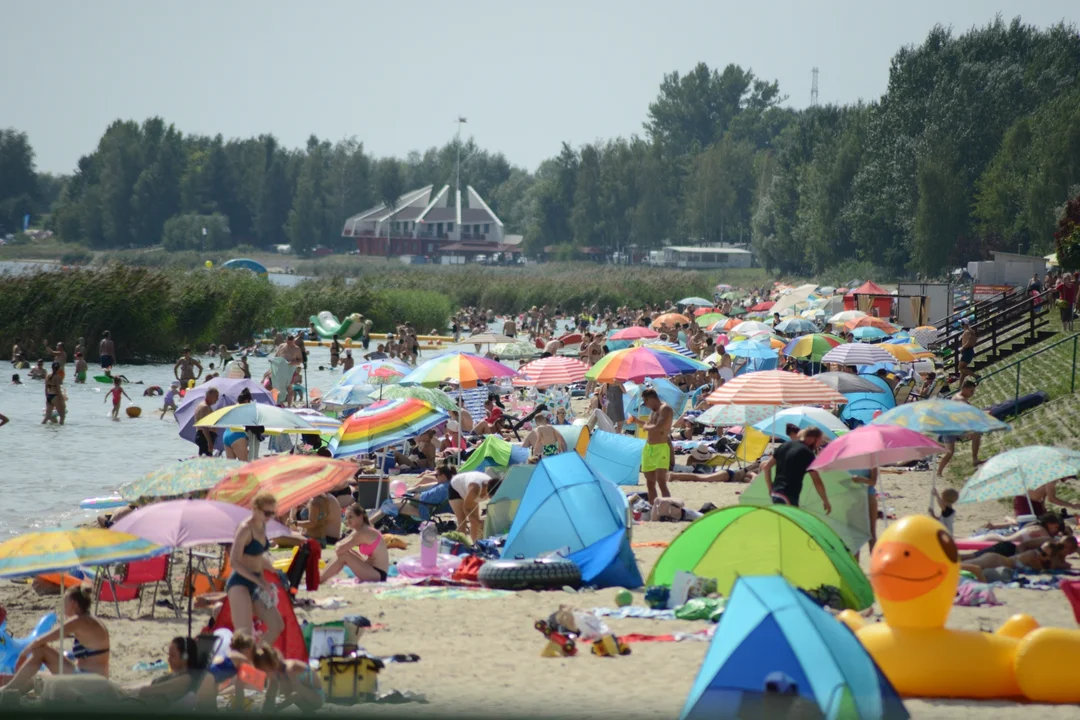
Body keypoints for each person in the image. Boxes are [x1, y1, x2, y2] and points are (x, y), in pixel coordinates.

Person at [1, 587, 110, 693]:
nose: (63, 606)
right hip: (91, 677)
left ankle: (8, 689)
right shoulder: (91, 620)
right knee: (37, 676)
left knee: (41, 651)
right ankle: (11, 684)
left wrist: (23, 655)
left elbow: (42, 639)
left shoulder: (79, 621)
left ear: (73, 603)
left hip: (89, 681)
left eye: (65, 602)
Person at [225, 492, 284, 646]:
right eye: (267, 513)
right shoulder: (245, 529)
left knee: (277, 626)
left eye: (273, 513)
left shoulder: (262, 525)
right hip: (240, 582)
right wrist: (258, 580)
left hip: (257, 582)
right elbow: (235, 562)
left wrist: (272, 569)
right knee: (243, 636)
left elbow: (256, 556)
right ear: (255, 509)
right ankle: (243, 664)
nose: (270, 516)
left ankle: (254, 656)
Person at [760, 427, 831, 513]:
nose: (819, 444)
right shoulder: (807, 453)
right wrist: (825, 500)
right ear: (812, 439)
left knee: (786, 524)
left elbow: (767, 467)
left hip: (776, 493)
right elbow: (816, 480)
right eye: (819, 440)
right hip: (788, 495)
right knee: (792, 524)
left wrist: (770, 487)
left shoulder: (784, 445)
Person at [134, 636, 213, 711]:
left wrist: (143, 690)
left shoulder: (186, 679)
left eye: (172, 656)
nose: (168, 659)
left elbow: (154, 689)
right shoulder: (176, 675)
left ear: (185, 657)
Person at [319, 504, 389, 583]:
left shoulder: (363, 532)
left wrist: (339, 546)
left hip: (378, 574)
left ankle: (320, 579)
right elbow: (341, 546)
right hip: (371, 569)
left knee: (344, 555)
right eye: (346, 518)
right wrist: (339, 546)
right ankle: (321, 577)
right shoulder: (358, 530)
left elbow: (339, 548)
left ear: (360, 516)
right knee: (346, 552)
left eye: (351, 517)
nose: (348, 521)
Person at [252, 644, 324, 713]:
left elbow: (298, 693)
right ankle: (308, 712)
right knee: (275, 685)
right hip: (305, 698)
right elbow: (269, 697)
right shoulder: (276, 670)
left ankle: (308, 711)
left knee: (286, 687)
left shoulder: (290, 669)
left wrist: (278, 708)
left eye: (264, 672)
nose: (264, 675)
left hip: (317, 699)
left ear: (271, 665)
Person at [935, 379, 983, 476]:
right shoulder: (959, 399)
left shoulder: (961, 398)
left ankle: (975, 459)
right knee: (950, 452)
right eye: (971, 391)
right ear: (964, 389)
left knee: (977, 433)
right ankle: (939, 472)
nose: (972, 394)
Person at [640, 388, 674, 504]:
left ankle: (667, 507)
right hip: (649, 448)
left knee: (661, 481)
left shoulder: (665, 409)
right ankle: (653, 508)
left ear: (651, 399)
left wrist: (645, 427)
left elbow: (659, 426)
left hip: (661, 447)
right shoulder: (653, 411)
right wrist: (636, 422)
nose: (645, 405)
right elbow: (649, 425)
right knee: (650, 482)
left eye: (645, 401)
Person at [448, 470, 501, 543]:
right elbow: (466, 508)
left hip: (471, 487)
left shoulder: (494, 486)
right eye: (490, 497)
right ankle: (458, 545)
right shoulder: (475, 489)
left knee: (475, 521)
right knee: (462, 521)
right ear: (487, 491)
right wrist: (479, 522)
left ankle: (476, 544)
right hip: (456, 488)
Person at [223, 388, 253, 461]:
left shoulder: (233, 407)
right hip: (237, 436)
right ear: (246, 400)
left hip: (226, 435)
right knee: (244, 466)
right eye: (249, 401)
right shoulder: (245, 409)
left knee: (231, 468)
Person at [194, 388, 220, 456]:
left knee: (205, 458)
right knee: (206, 459)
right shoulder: (204, 407)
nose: (217, 399)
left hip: (204, 436)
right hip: (204, 436)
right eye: (216, 396)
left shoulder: (204, 406)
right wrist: (209, 442)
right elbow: (204, 426)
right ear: (210, 395)